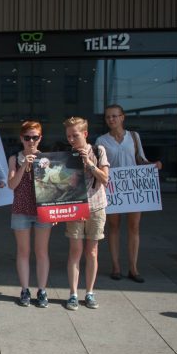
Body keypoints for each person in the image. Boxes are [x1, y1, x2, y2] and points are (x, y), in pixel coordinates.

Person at [95, 104, 163, 283]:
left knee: (134, 227)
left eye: (115, 116)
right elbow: (99, 164)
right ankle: (116, 266)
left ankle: (133, 267)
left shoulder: (134, 136)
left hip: (133, 186)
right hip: (113, 187)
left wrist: (153, 165)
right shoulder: (101, 140)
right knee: (114, 227)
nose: (111, 119)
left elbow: (140, 158)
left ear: (122, 117)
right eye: (108, 117)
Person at [63, 116, 110, 311]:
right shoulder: (66, 156)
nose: (72, 140)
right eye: (68, 136)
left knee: (92, 251)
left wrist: (89, 163)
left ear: (85, 134)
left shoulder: (98, 151)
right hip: (75, 207)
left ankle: (89, 292)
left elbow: (105, 179)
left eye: (75, 135)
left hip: (96, 207)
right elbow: (63, 187)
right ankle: (73, 293)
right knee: (75, 250)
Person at [7, 121, 53, 307]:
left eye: (35, 137)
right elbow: (12, 185)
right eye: (27, 137)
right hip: (21, 209)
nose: (31, 141)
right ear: (21, 139)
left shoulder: (47, 159)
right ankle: (25, 289)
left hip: (42, 210)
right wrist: (24, 164)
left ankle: (42, 290)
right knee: (23, 251)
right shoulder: (14, 159)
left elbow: (53, 187)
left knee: (42, 251)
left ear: (40, 138)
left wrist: (54, 212)